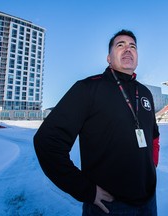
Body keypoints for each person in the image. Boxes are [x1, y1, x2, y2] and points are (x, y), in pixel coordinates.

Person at [34, 29, 160, 216]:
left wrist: (150, 168)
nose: (128, 49)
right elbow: (47, 142)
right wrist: (85, 189)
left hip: (149, 202)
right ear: (109, 58)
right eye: (120, 45)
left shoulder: (144, 93)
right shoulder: (88, 89)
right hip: (110, 206)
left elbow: (153, 134)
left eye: (132, 46)